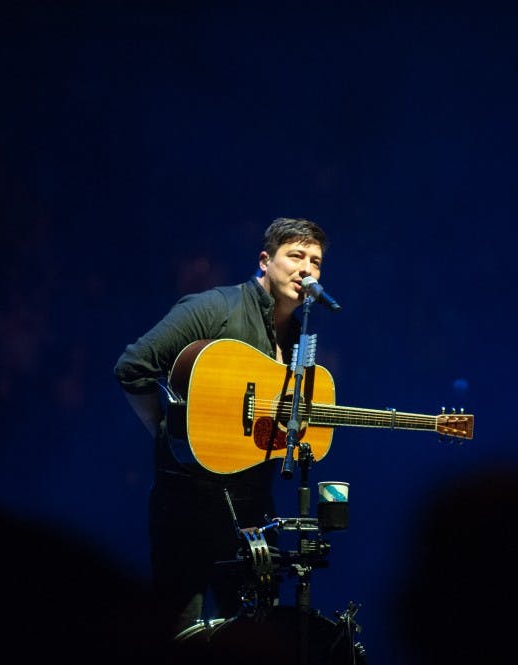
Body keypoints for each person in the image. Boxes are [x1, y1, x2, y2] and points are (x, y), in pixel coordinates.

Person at [113, 217, 329, 648]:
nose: (307, 268)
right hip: (187, 508)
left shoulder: (300, 337)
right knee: (177, 636)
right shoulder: (214, 308)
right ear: (265, 261)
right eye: (295, 256)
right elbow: (133, 367)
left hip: (253, 513)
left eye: (316, 261)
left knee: (254, 639)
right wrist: (175, 437)